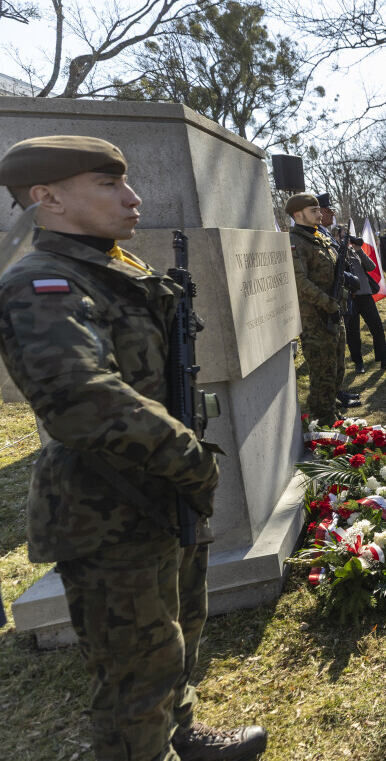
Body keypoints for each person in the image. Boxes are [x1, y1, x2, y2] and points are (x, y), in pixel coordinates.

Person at [0, 136, 267, 760]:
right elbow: (80, 398)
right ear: (47, 198)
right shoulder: (42, 283)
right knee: (134, 673)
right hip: (106, 510)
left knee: (177, 633)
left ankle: (180, 734)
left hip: (160, 493)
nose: (132, 197)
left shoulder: (113, 269)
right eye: (108, 185)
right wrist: (191, 460)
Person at [289, 193, 349, 427]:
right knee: (323, 372)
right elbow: (300, 282)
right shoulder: (296, 241)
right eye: (313, 211)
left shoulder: (320, 237)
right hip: (315, 318)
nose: (319, 214)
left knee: (337, 368)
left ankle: (332, 412)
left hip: (334, 312)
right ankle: (323, 422)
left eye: (318, 210)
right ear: (298, 215)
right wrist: (328, 303)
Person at [337, 225, 386, 374]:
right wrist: (342, 252)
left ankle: (384, 360)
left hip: (365, 295)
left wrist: (359, 250)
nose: (347, 239)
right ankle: (358, 362)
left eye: (348, 236)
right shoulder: (335, 253)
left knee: (377, 327)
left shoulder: (355, 251)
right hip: (349, 298)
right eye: (343, 236)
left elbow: (371, 266)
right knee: (353, 332)